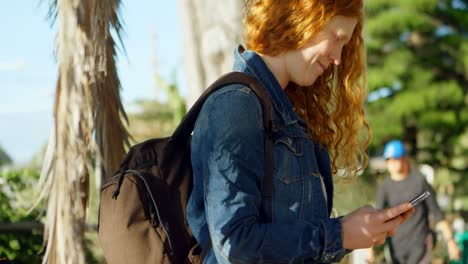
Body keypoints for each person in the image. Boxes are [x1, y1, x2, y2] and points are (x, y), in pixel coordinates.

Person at [186, 1, 414, 263]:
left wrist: (356, 231)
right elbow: (235, 244)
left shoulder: (291, 115)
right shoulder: (237, 104)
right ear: (301, 18)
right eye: (337, 38)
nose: (339, 59)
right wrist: (340, 234)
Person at [366, 140, 461, 263]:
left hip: (420, 247)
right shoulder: (385, 187)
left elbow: (437, 213)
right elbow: (377, 218)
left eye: (395, 159)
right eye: (388, 160)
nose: (391, 163)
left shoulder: (419, 181)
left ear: (404, 159)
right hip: (396, 250)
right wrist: (369, 250)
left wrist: (450, 242)